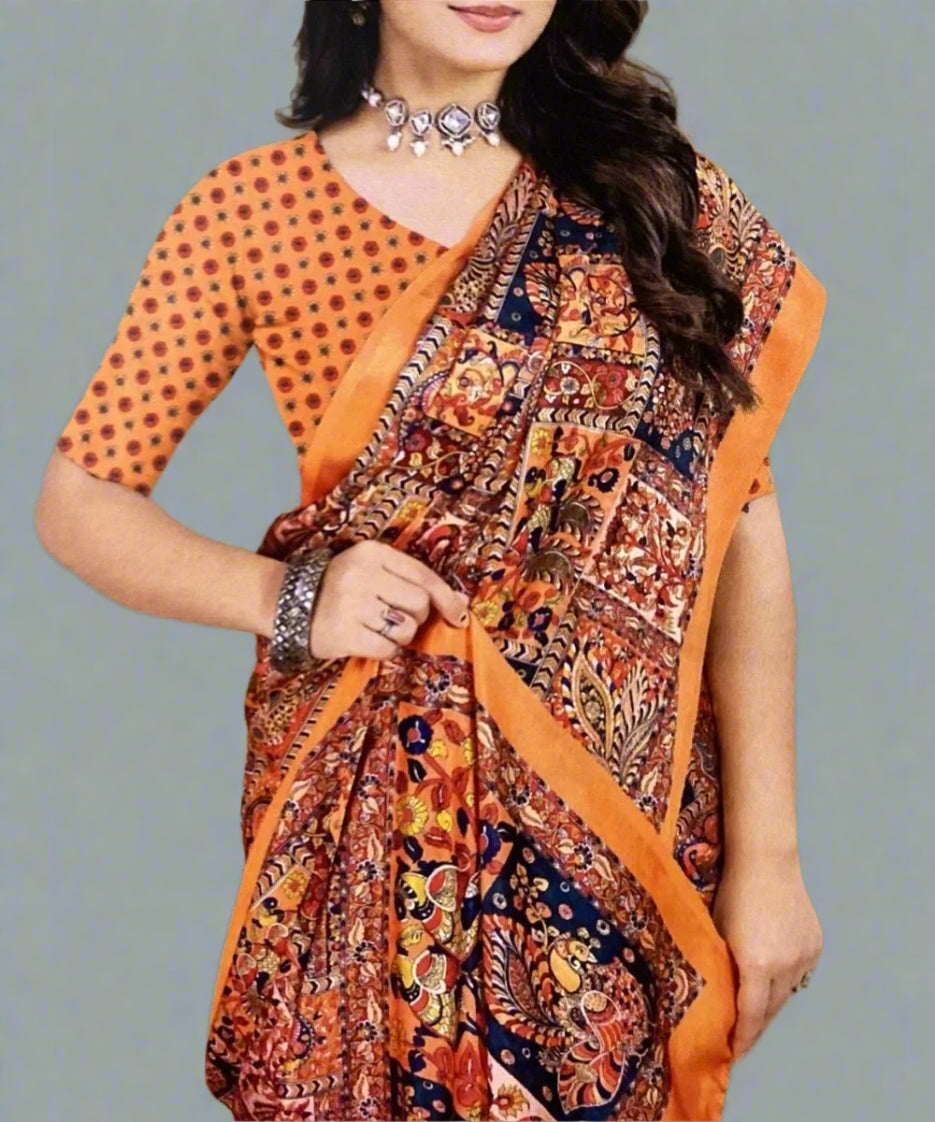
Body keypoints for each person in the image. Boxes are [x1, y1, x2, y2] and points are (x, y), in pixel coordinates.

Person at [34, 1, 828, 1118]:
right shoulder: (253, 210)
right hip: (370, 812)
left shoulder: (650, 193)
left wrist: (772, 862)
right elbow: (82, 498)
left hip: (618, 820)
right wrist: (288, 594)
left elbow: (738, 520)